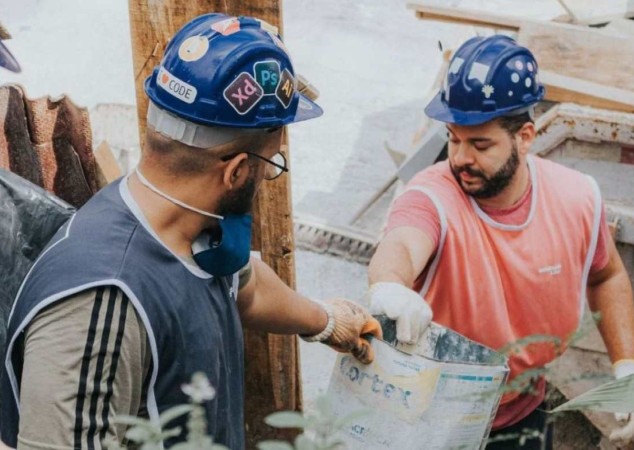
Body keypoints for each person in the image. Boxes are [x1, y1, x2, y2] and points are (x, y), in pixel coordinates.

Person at [0, 13, 381, 449]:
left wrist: (328, 322)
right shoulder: (103, 298)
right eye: (270, 165)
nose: (267, 177)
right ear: (237, 172)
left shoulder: (193, 230)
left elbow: (245, 286)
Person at [367, 35, 634, 449]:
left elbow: (606, 275)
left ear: (525, 136)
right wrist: (388, 283)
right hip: (425, 419)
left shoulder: (576, 198)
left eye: (480, 144)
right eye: (453, 138)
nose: (460, 157)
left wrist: (628, 366)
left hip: (523, 410)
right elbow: (403, 244)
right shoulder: (432, 196)